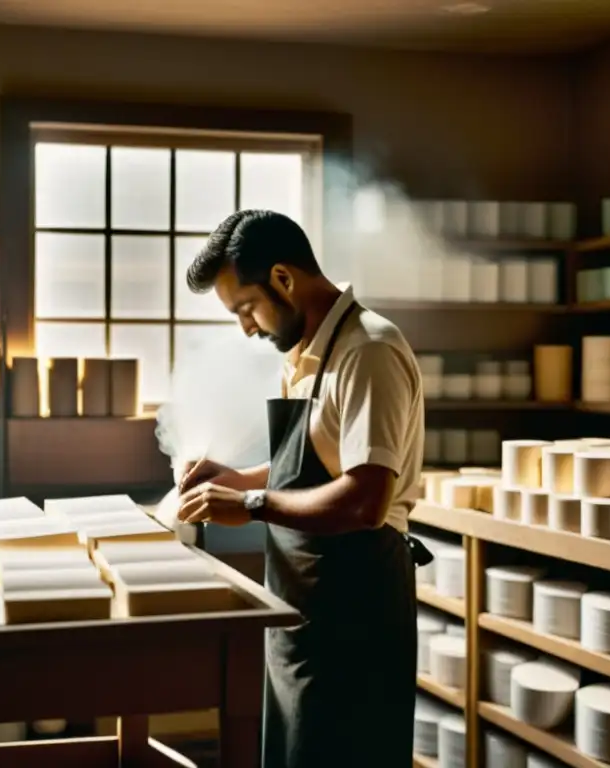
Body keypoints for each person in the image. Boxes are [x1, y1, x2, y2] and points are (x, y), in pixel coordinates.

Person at [177, 209, 426, 768]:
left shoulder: (369, 351)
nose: (246, 327)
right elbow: (313, 466)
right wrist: (231, 478)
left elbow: (365, 499)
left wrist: (251, 504)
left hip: (356, 615)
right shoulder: (303, 354)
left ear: (284, 279)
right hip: (302, 610)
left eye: (246, 308)